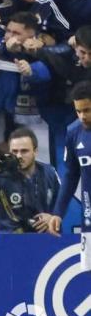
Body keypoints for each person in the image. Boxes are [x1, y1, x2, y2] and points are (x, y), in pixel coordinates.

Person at [0, 127, 59, 233]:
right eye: (15, 151)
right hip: (8, 239)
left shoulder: (49, 172)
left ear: (35, 151)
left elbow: (61, 200)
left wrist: (52, 217)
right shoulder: (0, 175)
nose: (19, 156)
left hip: (42, 236)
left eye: (24, 151)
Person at [49, 81, 91, 260]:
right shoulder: (74, 132)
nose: (82, 116)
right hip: (89, 218)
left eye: (87, 110)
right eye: (78, 111)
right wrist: (58, 212)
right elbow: (71, 176)